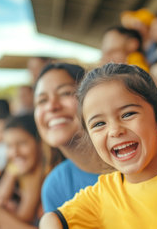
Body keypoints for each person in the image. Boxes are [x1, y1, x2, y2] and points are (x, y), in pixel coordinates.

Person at [39, 63, 157, 228]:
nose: (114, 130)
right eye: (99, 124)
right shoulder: (102, 194)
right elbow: (51, 220)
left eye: (127, 114)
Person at [33, 63, 113, 213]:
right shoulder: (56, 186)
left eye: (65, 93)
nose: (52, 106)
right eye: (42, 100)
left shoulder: (130, 156)